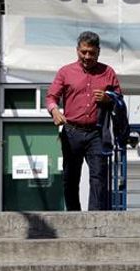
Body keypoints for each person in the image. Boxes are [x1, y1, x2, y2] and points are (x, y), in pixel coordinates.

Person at [46, 31, 121, 211]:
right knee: (70, 177)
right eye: (83, 52)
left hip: (97, 132)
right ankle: (74, 215)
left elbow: (119, 99)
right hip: (72, 131)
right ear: (77, 50)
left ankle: (94, 217)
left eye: (92, 53)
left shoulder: (107, 72)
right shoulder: (65, 72)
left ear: (98, 52)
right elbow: (50, 97)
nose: (87, 57)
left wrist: (108, 98)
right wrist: (54, 111)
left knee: (99, 177)